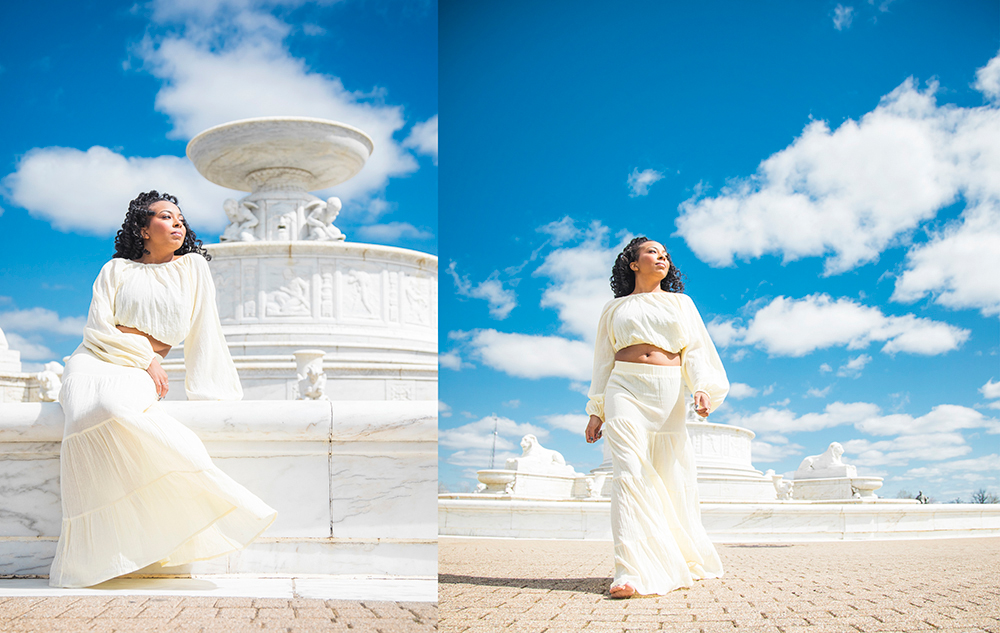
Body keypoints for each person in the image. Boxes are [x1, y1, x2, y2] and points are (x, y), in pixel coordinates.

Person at [49, 190, 277, 588]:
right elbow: (99, 329)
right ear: (143, 228)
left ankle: (199, 502)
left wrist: (213, 392)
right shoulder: (114, 270)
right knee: (83, 415)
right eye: (166, 216)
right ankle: (90, 558)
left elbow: (205, 331)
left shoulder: (193, 268)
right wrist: (147, 354)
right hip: (92, 360)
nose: (178, 223)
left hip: (134, 368)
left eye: (180, 218)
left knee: (116, 410)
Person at [584, 236, 729, 598]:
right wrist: (596, 410)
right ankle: (629, 571)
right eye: (653, 252)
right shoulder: (613, 309)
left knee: (668, 474)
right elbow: (603, 361)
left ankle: (674, 554)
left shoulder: (681, 303)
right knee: (628, 473)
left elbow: (696, 348)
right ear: (633, 263)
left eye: (665, 255)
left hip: (666, 391)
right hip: (623, 388)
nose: (662, 258)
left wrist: (702, 387)